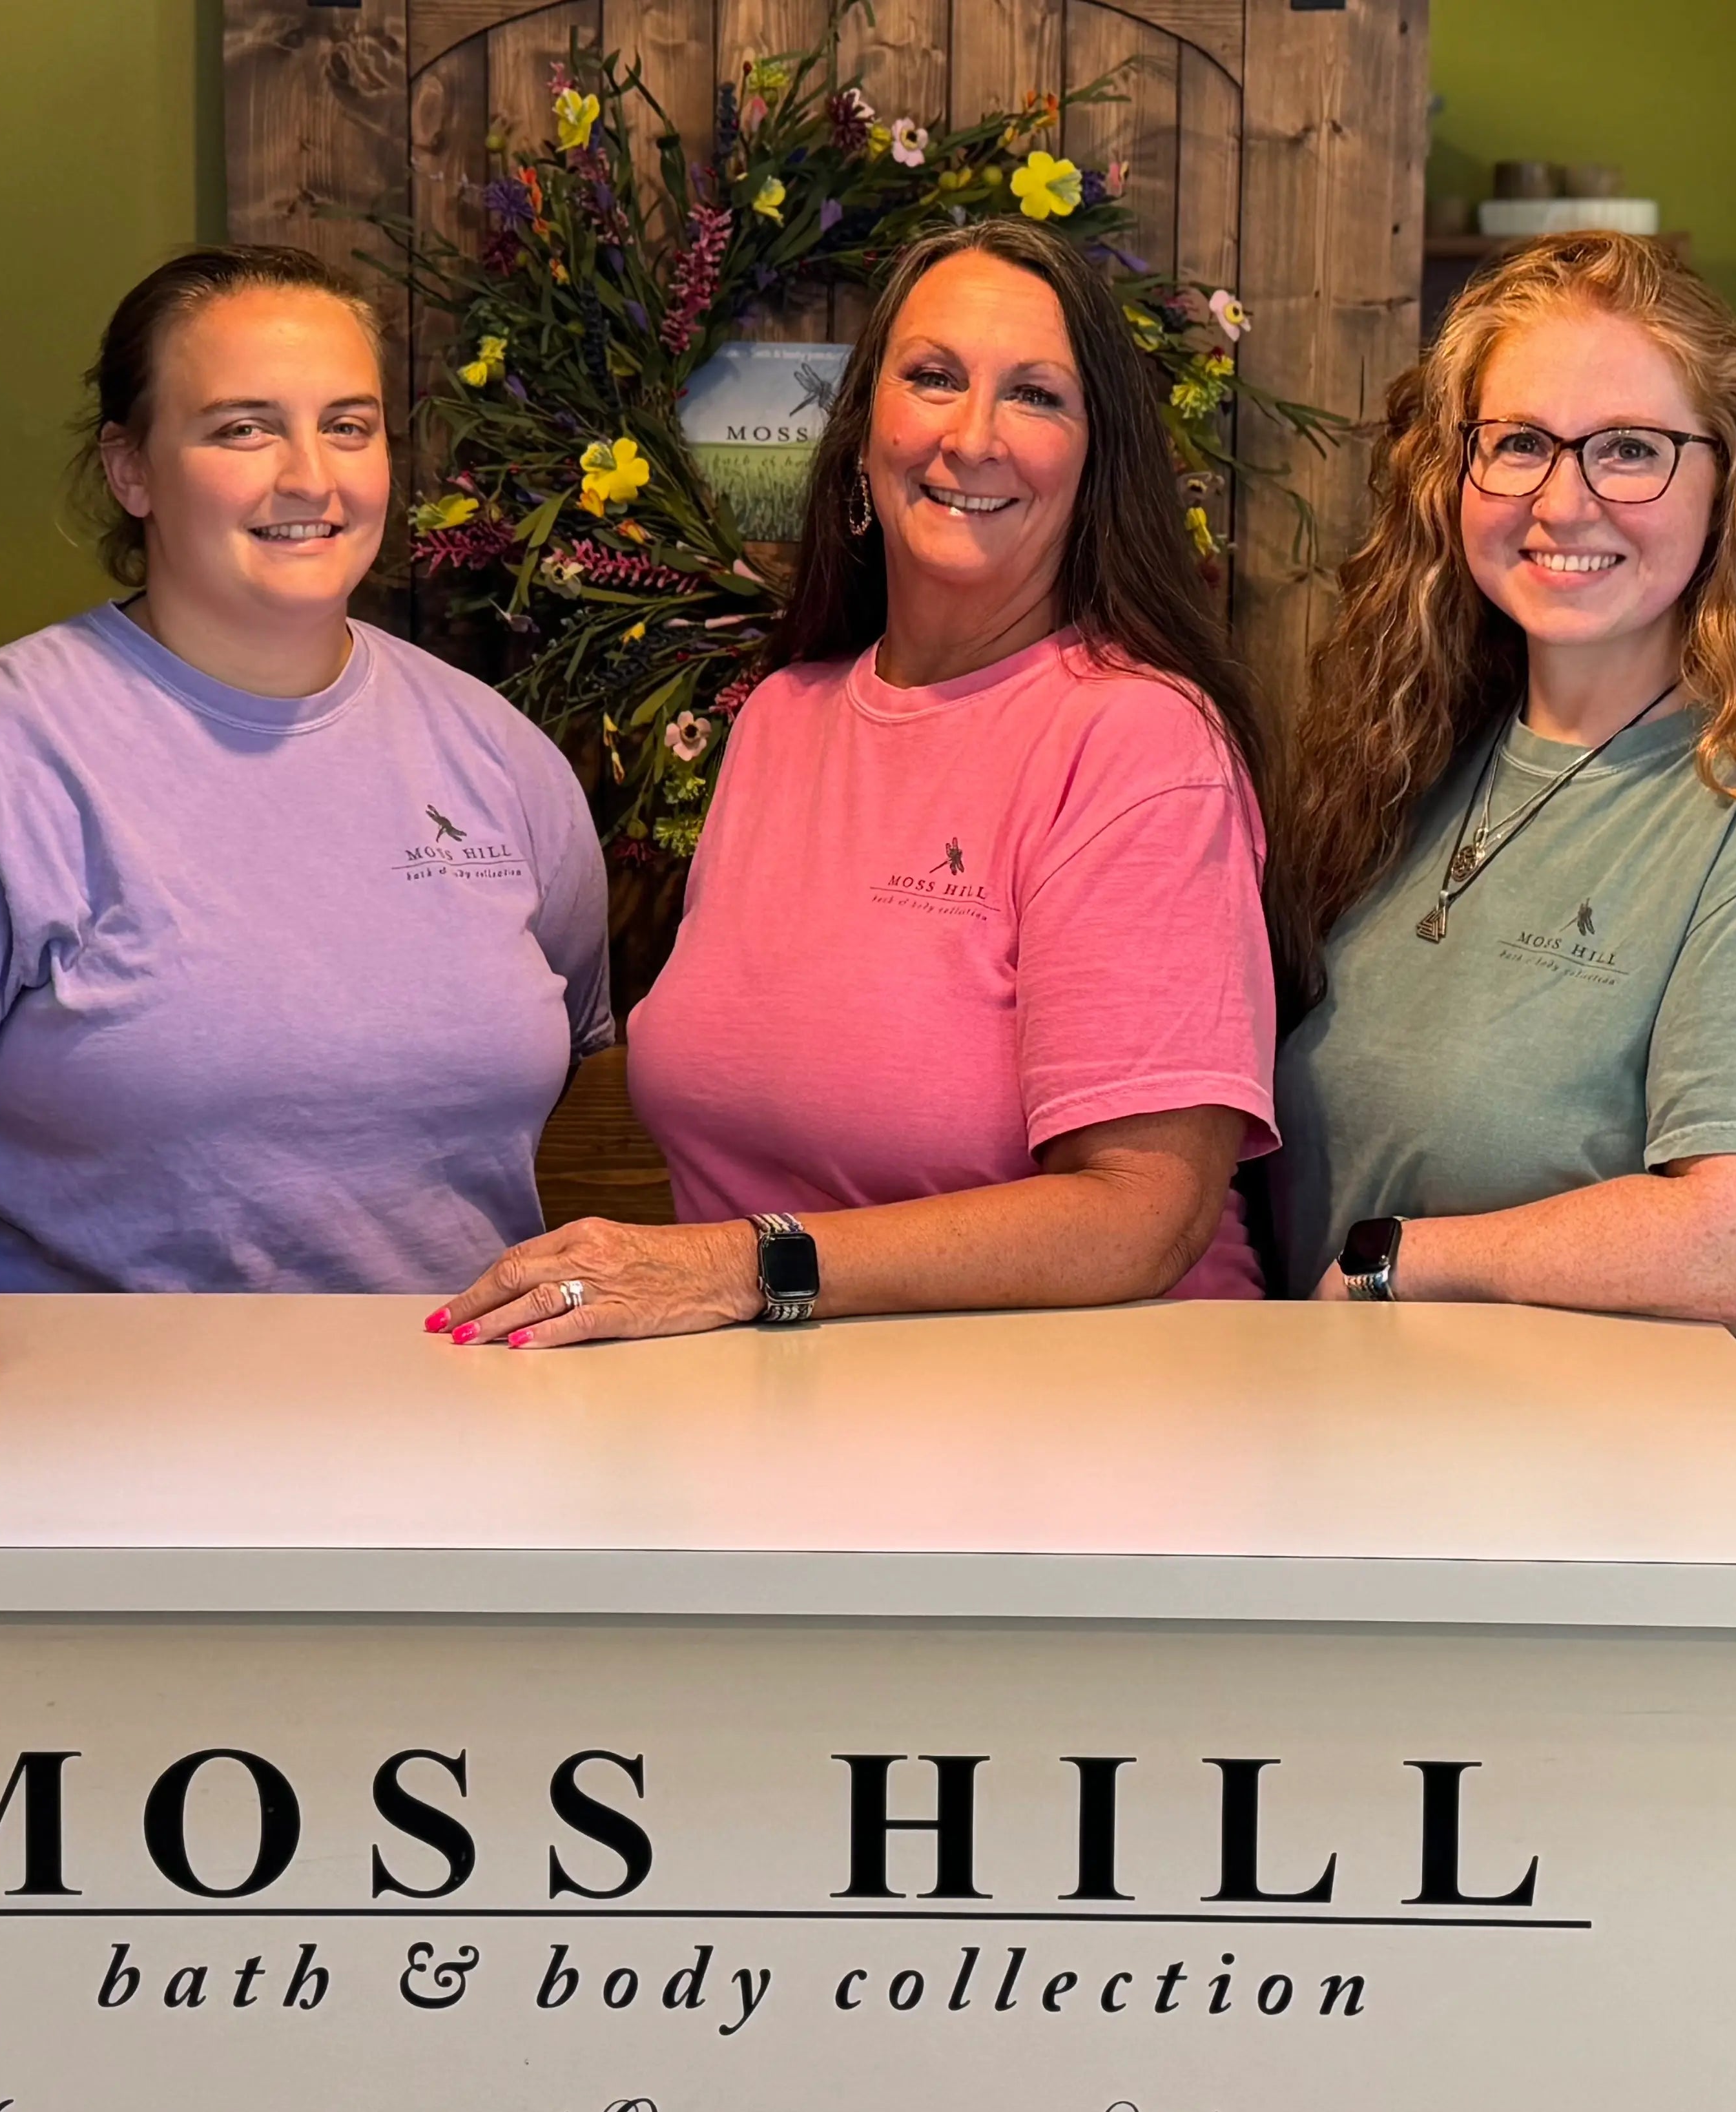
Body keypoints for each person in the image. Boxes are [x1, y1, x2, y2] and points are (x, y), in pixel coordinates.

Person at [0, 245, 612, 1407]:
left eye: (349, 425)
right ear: (130, 468)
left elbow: (587, 1083)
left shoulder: (497, 757)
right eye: (242, 430)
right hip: (76, 1442)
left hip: (463, 1428)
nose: (311, 479)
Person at [431, 220, 1277, 1349]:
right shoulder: (784, 716)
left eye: (1035, 396)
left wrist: (742, 1266)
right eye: (931, 377)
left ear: (1095, 459)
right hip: (789, 1430)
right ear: (864, 430)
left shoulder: (1137, 740)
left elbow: (1143, 1214)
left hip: (1089, 1431)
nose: (970, 438)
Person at [1275, 231, 1736, 1476]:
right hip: (1410, 1470)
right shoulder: (1397, 767)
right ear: (1455, 471)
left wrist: (1403, 1260)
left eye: (1631, 450)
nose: (1563, 501)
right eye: (1520, 443)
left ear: (1729, 487)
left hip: (1683, 1512)